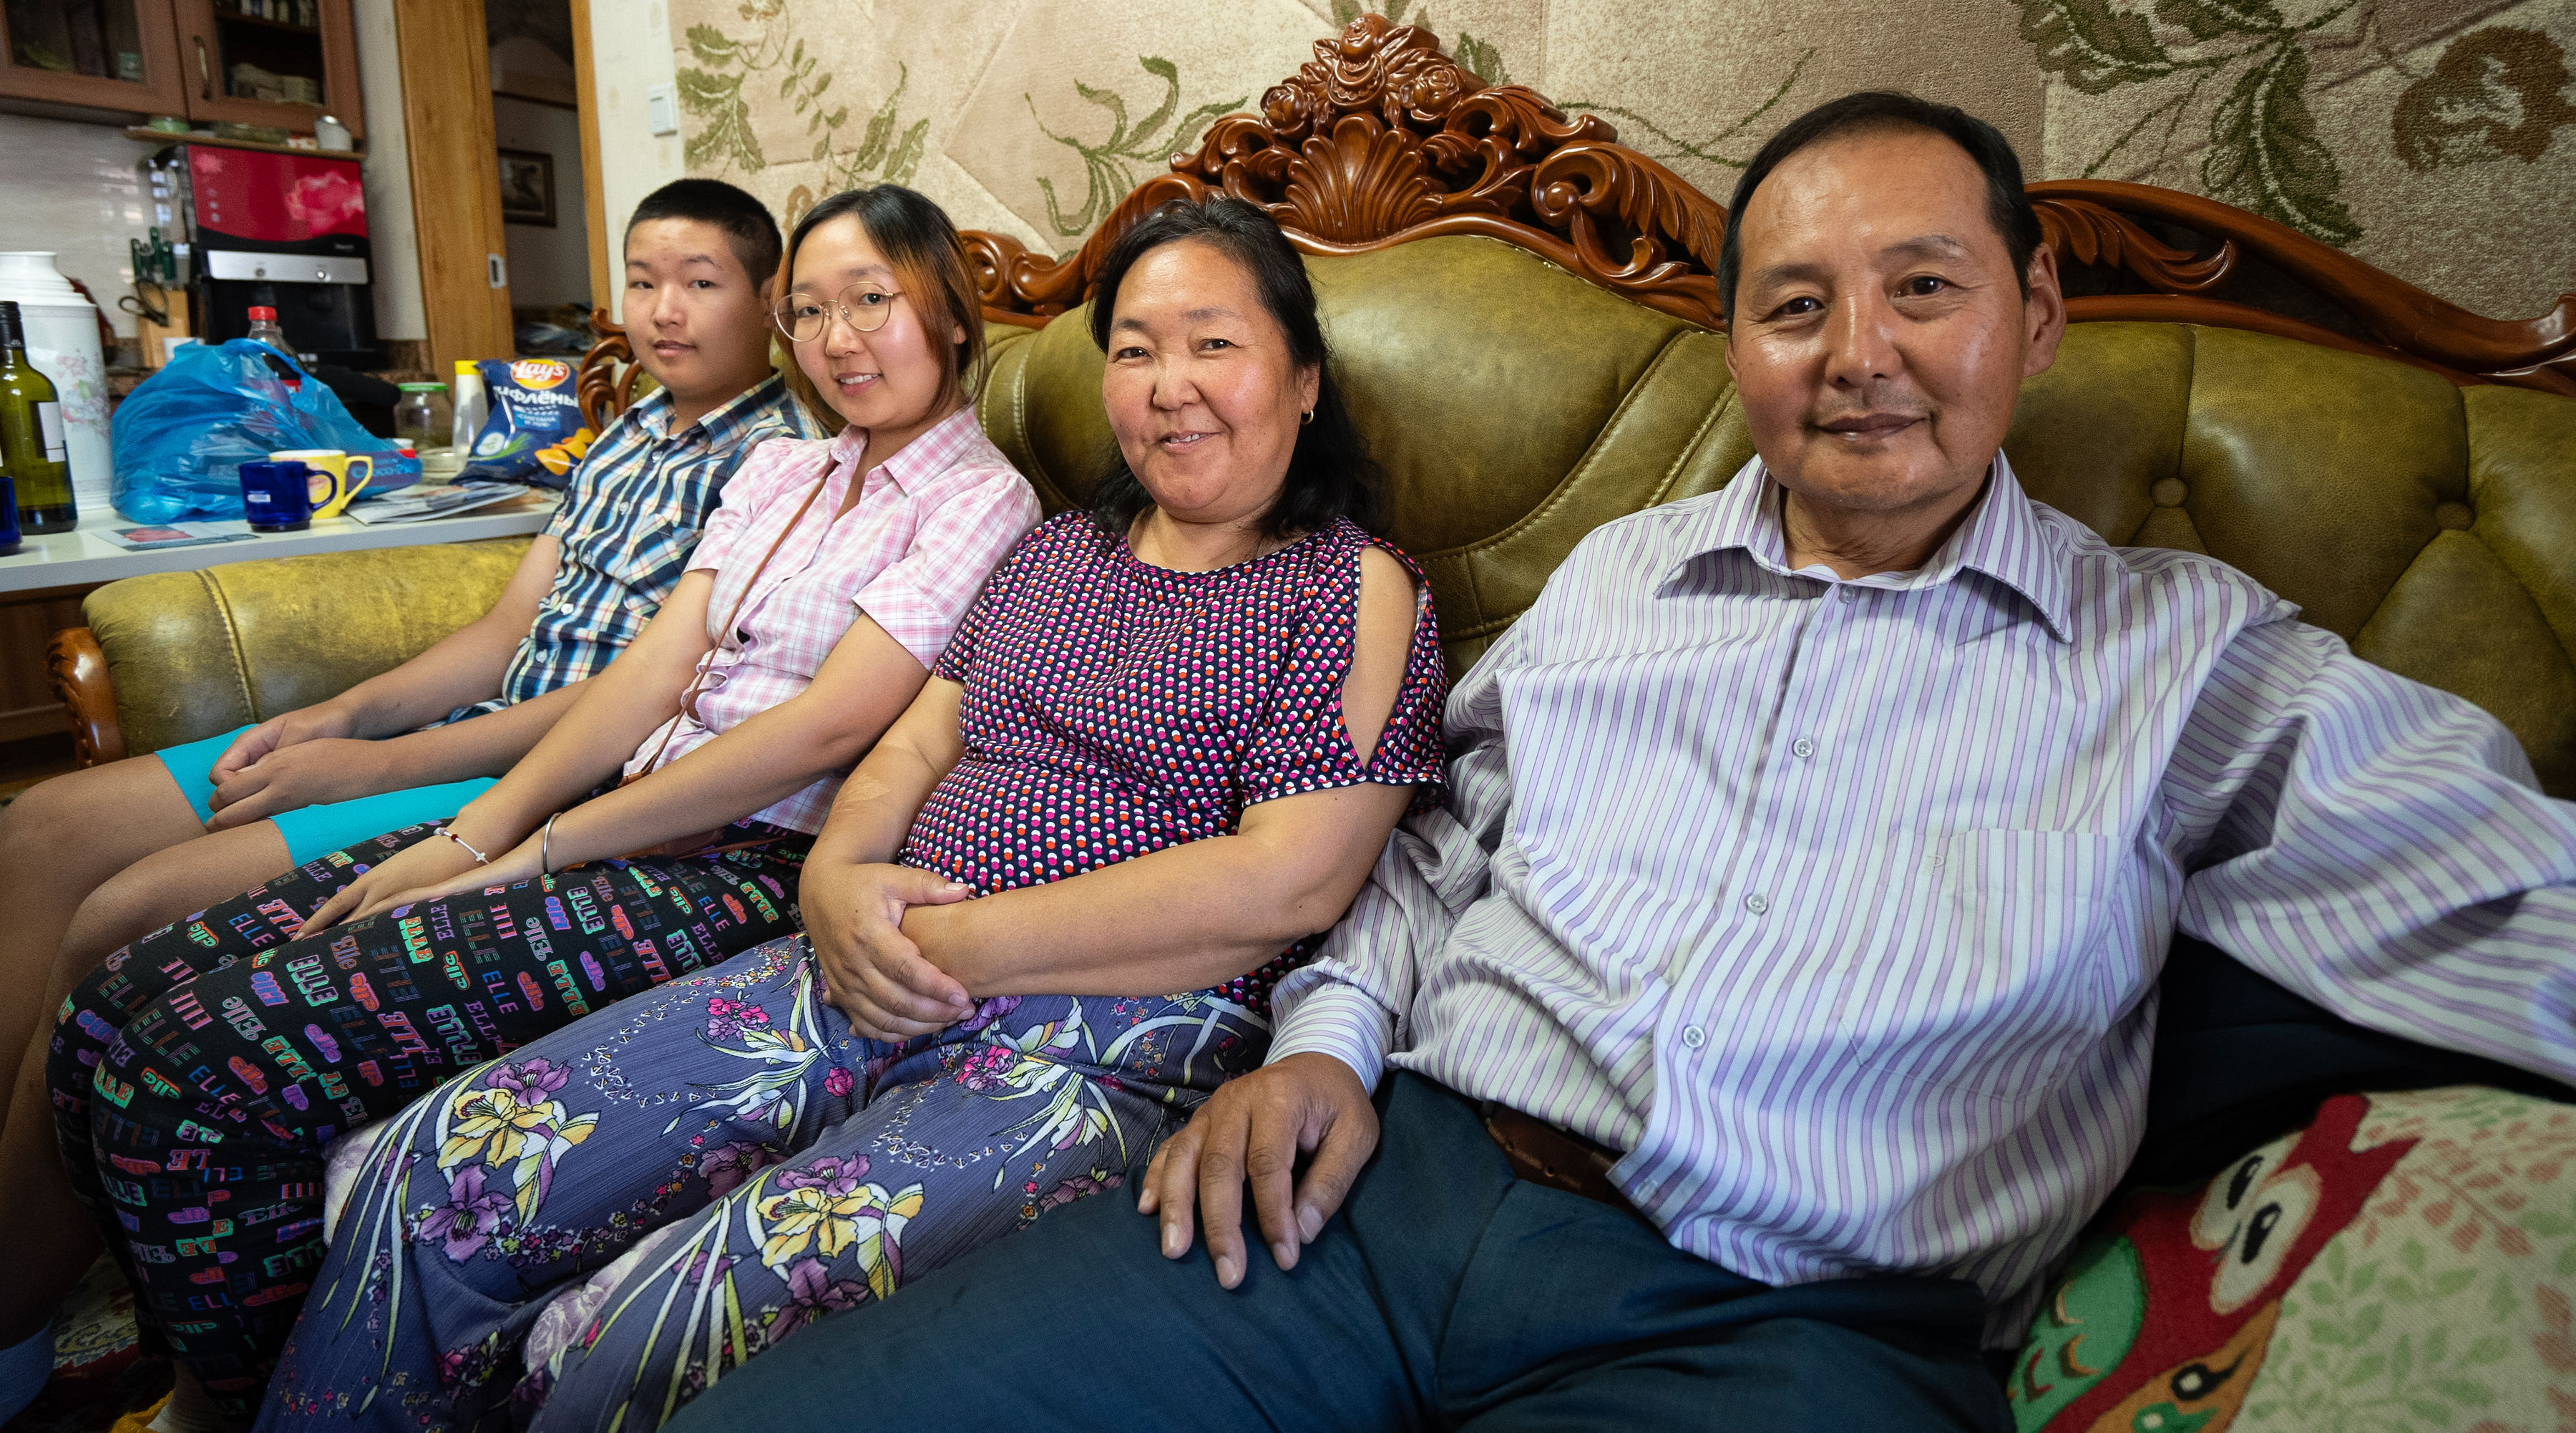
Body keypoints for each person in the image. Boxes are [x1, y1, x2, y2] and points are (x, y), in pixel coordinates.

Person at [660, 93, 2576, 1433]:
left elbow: (2512, 891)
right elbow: (1430, 842)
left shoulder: (2188, 658)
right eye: (1797, 304)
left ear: (2038, 319)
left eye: (1928, 287)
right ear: (1737, 341)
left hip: (1783, 1323)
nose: (1860, 354)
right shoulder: (1620, 578)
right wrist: (1326, 1039)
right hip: (1371, 1190)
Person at [251, 196, 1450, 1433]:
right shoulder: (1058, 555)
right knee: (439, 1167)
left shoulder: (1354, 588)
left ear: (1303, 379)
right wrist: (837, 871)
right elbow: (920, 735)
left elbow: (1290, 883)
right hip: (864, 951)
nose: (1166, 384)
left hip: (1115, 1037)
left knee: (640, 1334)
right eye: (1135, 350)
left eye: (1213, 343)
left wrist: (960, 945)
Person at [42, 183, 1043, 1433]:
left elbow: (828, 727)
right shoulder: (787, 468)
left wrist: (539, 851)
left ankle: (251, 1408)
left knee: (189, 1069)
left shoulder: (984, 503)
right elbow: (644, 672)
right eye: (812, 310)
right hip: (617, 815)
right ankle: (197, 1372)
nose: (839, 338)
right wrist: (476, 830)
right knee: (110, 1012)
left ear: (947, 314)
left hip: (740, 867)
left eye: (873, 302)